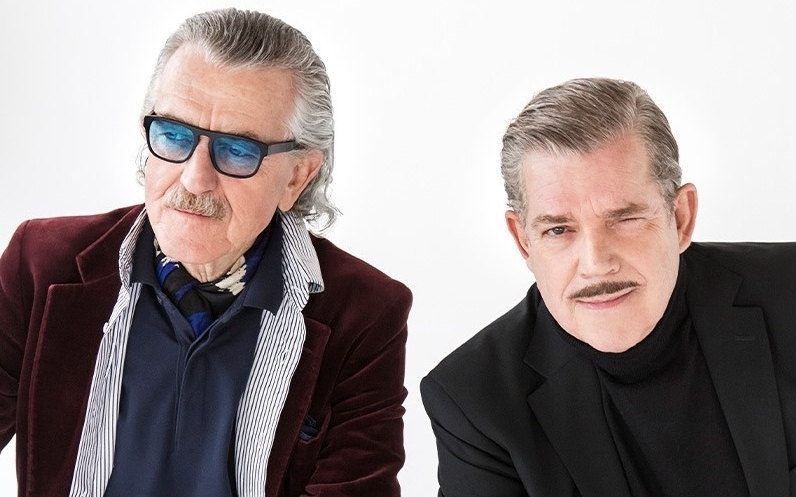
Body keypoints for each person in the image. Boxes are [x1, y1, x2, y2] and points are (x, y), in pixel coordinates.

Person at [0, 8, 412, 497]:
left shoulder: (364, 313)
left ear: (298, 176)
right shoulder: (41, 263)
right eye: (174, 135)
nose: (195, 179)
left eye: (237, 150)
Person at [421, 77, 795, 496]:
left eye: (625, 219)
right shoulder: (475, 401)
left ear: (680, 218)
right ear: (523, 241)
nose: (596, 264)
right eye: (559, 229)